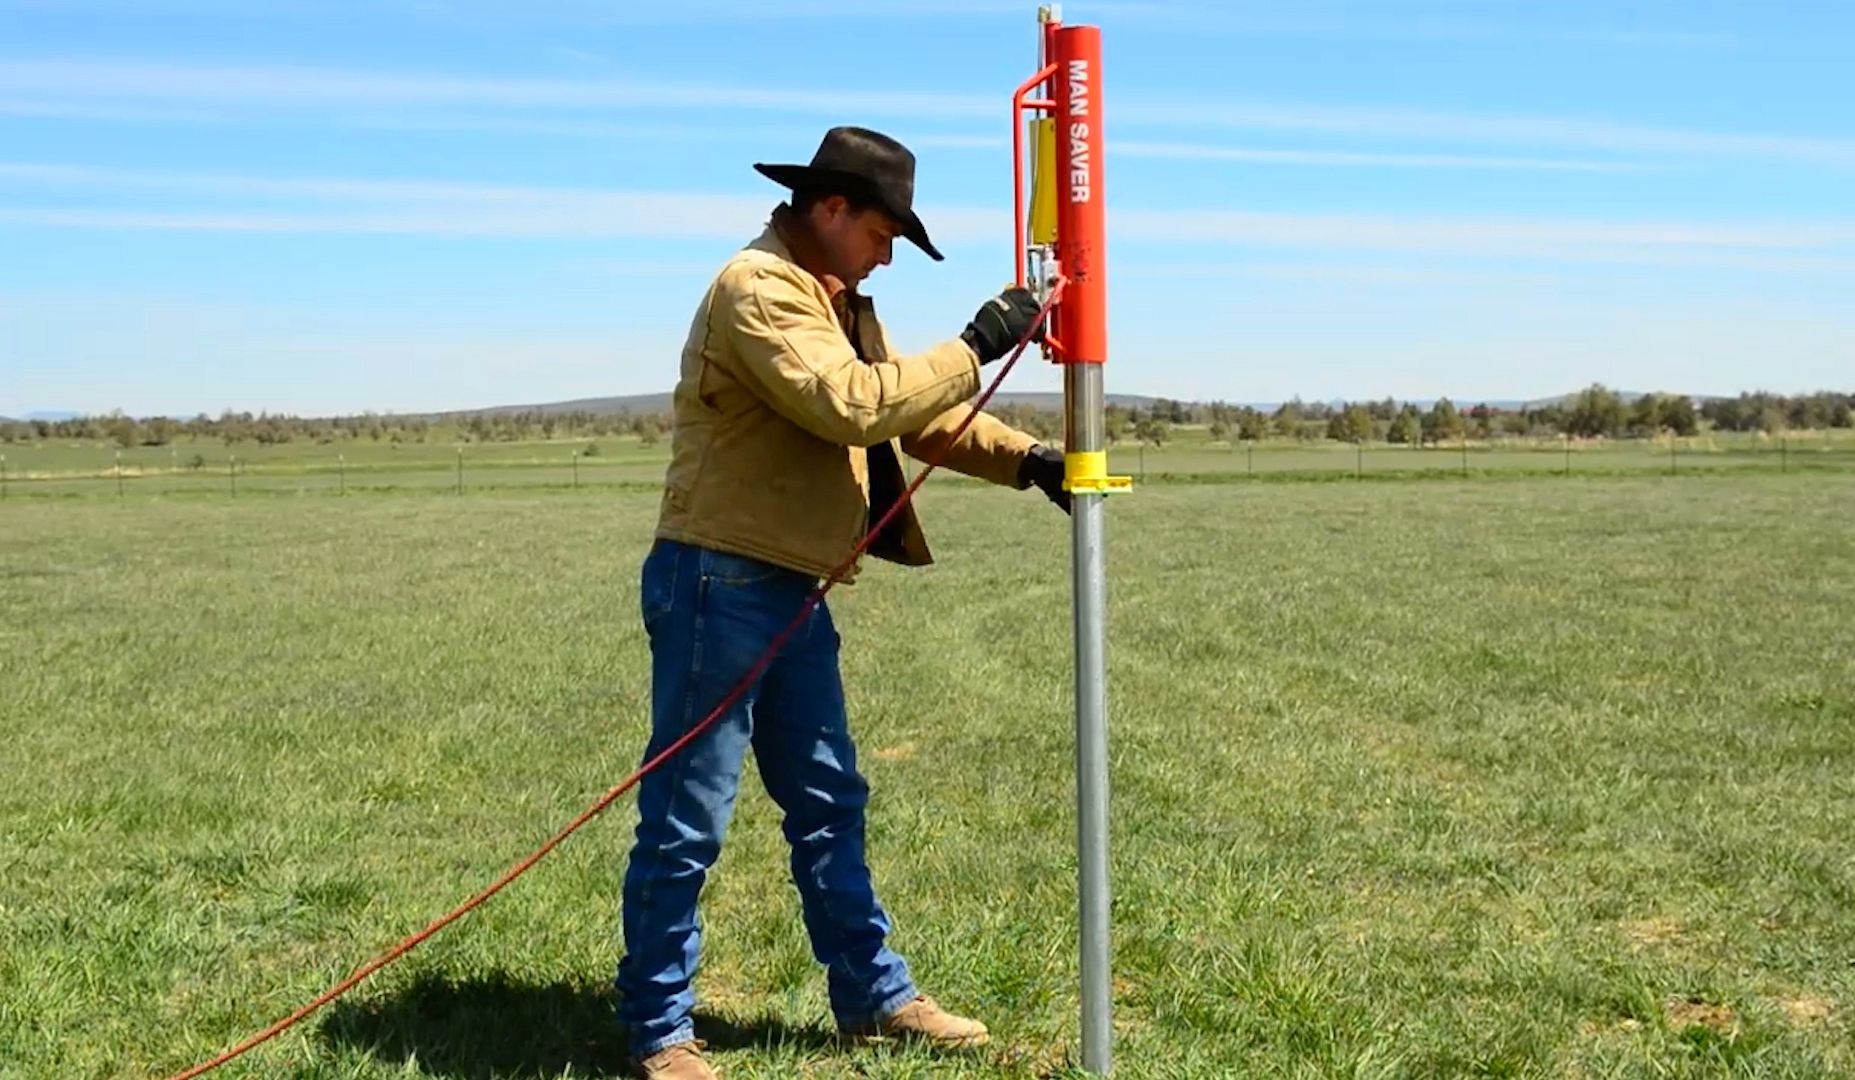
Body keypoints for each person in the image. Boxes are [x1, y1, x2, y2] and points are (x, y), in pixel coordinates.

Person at [614, 126, 1072, 1079]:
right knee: (687, 817)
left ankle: (874, 998)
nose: (889, 253)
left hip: (789, 586)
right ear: (829, 210)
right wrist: (981, 337)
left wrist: (1027, 462)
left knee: (828, 800)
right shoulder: (760, 289)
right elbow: (853, 406)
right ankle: (660, 1031)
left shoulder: (834, 300)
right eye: (882, 231)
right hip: (718, 579)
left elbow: (917, 408)